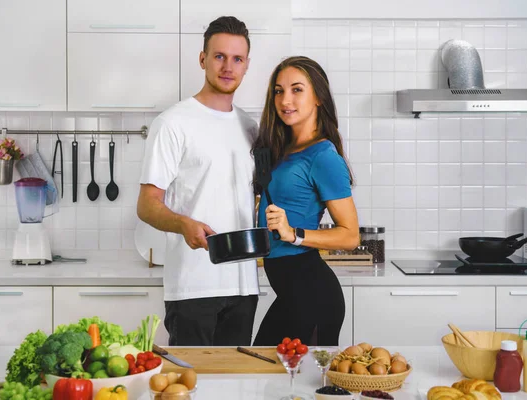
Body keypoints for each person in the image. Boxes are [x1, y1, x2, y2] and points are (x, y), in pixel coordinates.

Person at [136, 16, 259, 346]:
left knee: (236, 390)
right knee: (189, 388)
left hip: (244, 285)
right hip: (193, 285)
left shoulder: (251, 127)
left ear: (247, 65)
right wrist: (183, 223)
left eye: (237, 59)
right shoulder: (173, 122)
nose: (227, 66)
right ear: (203, 59)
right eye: (219, 56)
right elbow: (147, 206)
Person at [252, 56, 360, 346]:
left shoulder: (323, 156)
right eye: (278, 90)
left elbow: (350, 236)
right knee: (268, 377)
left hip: (312, 294)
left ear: (318, 98)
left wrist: (294, 234)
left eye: (297, 89)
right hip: (291, 291)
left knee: (297, 384)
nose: (285, 99)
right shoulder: (283, 149)